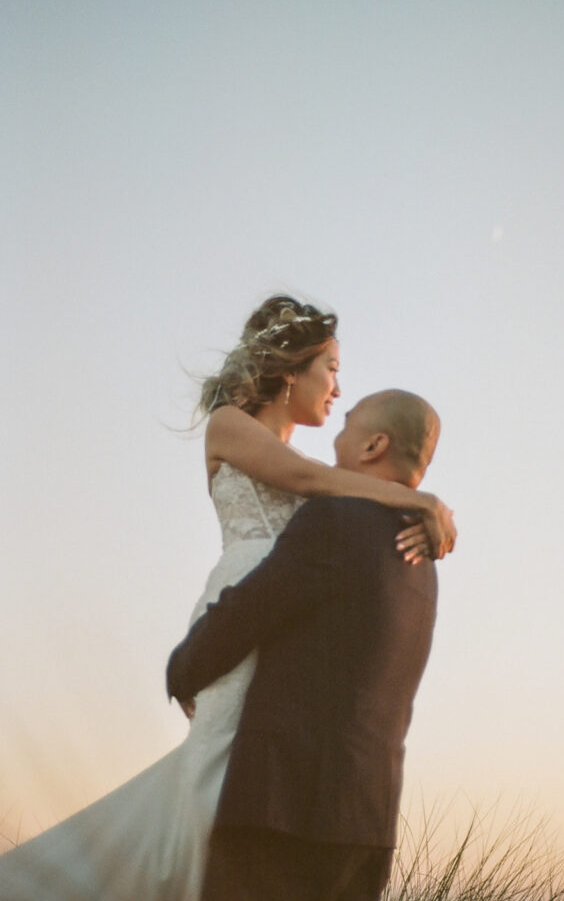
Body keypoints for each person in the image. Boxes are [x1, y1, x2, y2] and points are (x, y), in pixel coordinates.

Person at [0, 296, 456, 900]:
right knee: (219, 771)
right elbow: (310, 484)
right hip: (243, 598)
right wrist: (419, 500)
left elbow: (335, 499)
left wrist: (412, 504)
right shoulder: (230, 425)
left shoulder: (331, 482)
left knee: (252, 766)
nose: (338, 389)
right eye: (332, 369)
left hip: (287, 618)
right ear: (291, 368)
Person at [167, 389, 442, 901]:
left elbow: (248, 611)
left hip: (283, 814)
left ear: (374, 445)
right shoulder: (423, 559)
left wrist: (182, 669)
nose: (337, 432)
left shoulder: (332, 520)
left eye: (349, 424)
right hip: (368, 823)